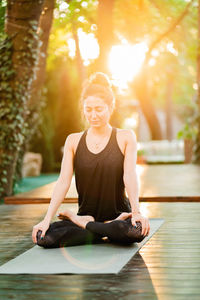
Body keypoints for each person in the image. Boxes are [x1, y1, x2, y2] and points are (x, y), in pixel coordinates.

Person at [32, 72, 150, 248]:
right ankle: (102, 229)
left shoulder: (126, 137)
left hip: (120, 217)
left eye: (99, 109)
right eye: (89, 110)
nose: (93, 115)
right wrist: (46, 219)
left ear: (110, 108)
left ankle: (89, 227)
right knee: (44, 237)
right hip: (87, 214)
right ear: (83, 109)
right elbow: (63, 181)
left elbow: (130, 175)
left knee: (136, 231)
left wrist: (136, 212)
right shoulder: (73, 140)